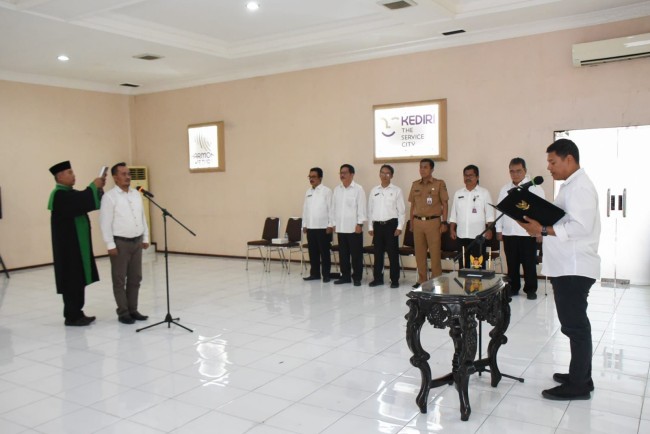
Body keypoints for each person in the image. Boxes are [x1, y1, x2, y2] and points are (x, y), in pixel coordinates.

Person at [519, 138, 600, 401]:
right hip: (567, 265)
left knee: (575, 326)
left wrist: (542, 229)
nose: (550, 168)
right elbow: (565, 222)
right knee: (574, 325)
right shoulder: (571, 185)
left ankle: (579, 384)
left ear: (569, 159)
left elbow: (581, 227)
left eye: (553, 162)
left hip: (574, 267)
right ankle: (580, 376)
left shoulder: (581, 188)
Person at [48, 161, 105, 326]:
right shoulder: (59, 195)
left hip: (77, 247)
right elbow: (82, 199)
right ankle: (72, 316)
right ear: (59, 177)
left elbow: (85, 201)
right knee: (72, 280)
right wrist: (93, 185)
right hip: (68, 249)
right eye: (69, 172)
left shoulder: (68, 193)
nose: (74, 175)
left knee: (78, 279)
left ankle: (78, 312)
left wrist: (97, 189)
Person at [99, 162, 150, 324]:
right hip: (120, 243)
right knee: (120, 279)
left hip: (136, 242)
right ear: (115, 177)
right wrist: (110, 244)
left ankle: (133, 309)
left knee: (136, 278)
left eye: (129, 174)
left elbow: (142, 217)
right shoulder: (109, 197)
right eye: (123, 174)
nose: (127, 177)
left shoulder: (136, 194)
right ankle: (123, 312)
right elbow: (105, 222)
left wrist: (146, 237)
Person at [495, 157, 545, 299]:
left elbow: (541, 209)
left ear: (525, 171)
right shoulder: (505, 189)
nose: (515, 174)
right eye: (512, 171)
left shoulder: (535, 188)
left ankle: (531, 289)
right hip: (509, 232)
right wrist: (499, 229)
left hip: (528, 232)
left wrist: (540, 230)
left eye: (518, 171)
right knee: (512, 262)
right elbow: (499, 210)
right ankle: (514, 287)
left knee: (529, 262)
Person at [408, 158, 449, 288]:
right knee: (419, 254)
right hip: (418, 222)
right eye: (421, 167)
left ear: (431, 169)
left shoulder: (439, 183)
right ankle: (422, 280)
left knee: (435, 253)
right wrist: (411, 222)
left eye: (425, 167)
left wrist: (444, 222)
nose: (422, 170)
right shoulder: (415, 184)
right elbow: (412, 205)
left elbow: (445, 203)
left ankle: (436, 280)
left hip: (433, 222)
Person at [448, 165, 494, 269]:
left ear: (477, 177)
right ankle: (465, 285)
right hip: (461, 235)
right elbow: (453, 214)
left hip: (478, 237)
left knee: (478, 267)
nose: (468, 178)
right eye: (465, 175)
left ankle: (478, 285)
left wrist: (490, 230)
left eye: (471, 175)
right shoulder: (458, 193)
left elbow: (490, 215)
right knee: (463, 266)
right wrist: (452, 229)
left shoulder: (484, 193)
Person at [368, 164, 405, 288]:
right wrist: (370, 227)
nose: (385, 175)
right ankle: (378, 278)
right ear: (379, 174)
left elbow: (401, 211)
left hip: (391, 226)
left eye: (387, 173)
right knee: (378, 254)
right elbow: (370, 210)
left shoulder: (396, 190)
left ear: (392, 176)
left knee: (392, 254)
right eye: (382, 173)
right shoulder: (374, 190)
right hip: (377, 226)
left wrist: (399, 227)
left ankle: (394, 280)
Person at [329, 164, 366, 286]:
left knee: (356, 255)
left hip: (354, 228)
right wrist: (333, 223)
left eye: (345, 172)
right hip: (341, 227)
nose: (342, 175)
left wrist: (360, 224)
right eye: (341, 173)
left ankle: (357, 277)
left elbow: (361, 208)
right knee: (343, 254)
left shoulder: (358, 189)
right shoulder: (337, 189)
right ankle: (345, 276)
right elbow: (333, 208)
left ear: (352, 174)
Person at [302, 167, 333, 283]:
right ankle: (314, 274)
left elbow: (331, 209)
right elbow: (305, 209)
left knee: (324, 253)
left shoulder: (327, 191)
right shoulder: (308, 192)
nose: (311, 179)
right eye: (309, 177)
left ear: (320, 178)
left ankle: (326, 275)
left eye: (313, 177)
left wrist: (330, 224)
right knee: (313, 252)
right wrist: (304, 224)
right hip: (310, 227)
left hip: (323, 228)